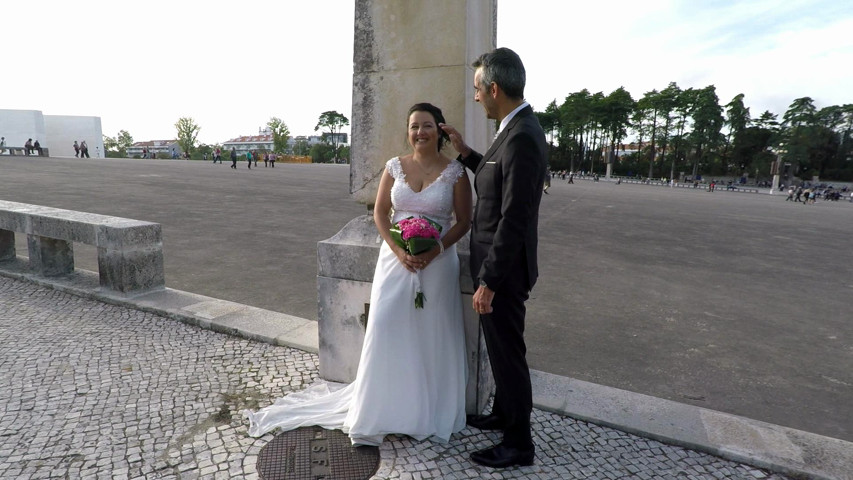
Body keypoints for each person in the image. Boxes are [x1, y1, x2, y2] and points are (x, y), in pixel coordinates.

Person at [244, 102, 472, 447]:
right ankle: (382, 409)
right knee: (387, 328)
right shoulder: (394, 167)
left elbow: (464, 222)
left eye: (427, 126)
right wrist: (398, 251)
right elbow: (381, 213)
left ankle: (424, 412)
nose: (420, 133)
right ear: (407, 131)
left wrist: (435, 249)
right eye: (414, 126)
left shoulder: (455, 172)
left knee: (432, 333)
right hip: (395, 261)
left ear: (439, 130)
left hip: (438, 264)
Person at [440, 47, 546, 469]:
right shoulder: (514, 128)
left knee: (508, 355)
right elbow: (496, 175)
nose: (475, 97)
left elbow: (514, 217)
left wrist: (489, 281)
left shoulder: (522, 135)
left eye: (477, 90)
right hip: (499, 267)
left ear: (494, 88)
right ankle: (504, 414)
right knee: (502, 351)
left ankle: (519, 444)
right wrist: (465, 152)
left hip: (503, 271)